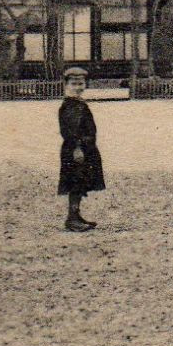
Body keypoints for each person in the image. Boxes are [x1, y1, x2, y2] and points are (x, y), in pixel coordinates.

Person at [57, 67, 105, 231]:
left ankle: (76, 215)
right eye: (74, 83)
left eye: (81, 83)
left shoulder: (78, 103)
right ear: (66, 84)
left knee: (81, 181)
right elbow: (70, 130)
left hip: (85, 149)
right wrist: (77, 149)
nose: (78, 86)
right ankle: (71, 219)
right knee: (75, 183)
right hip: (76, 151)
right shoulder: (70, 105)